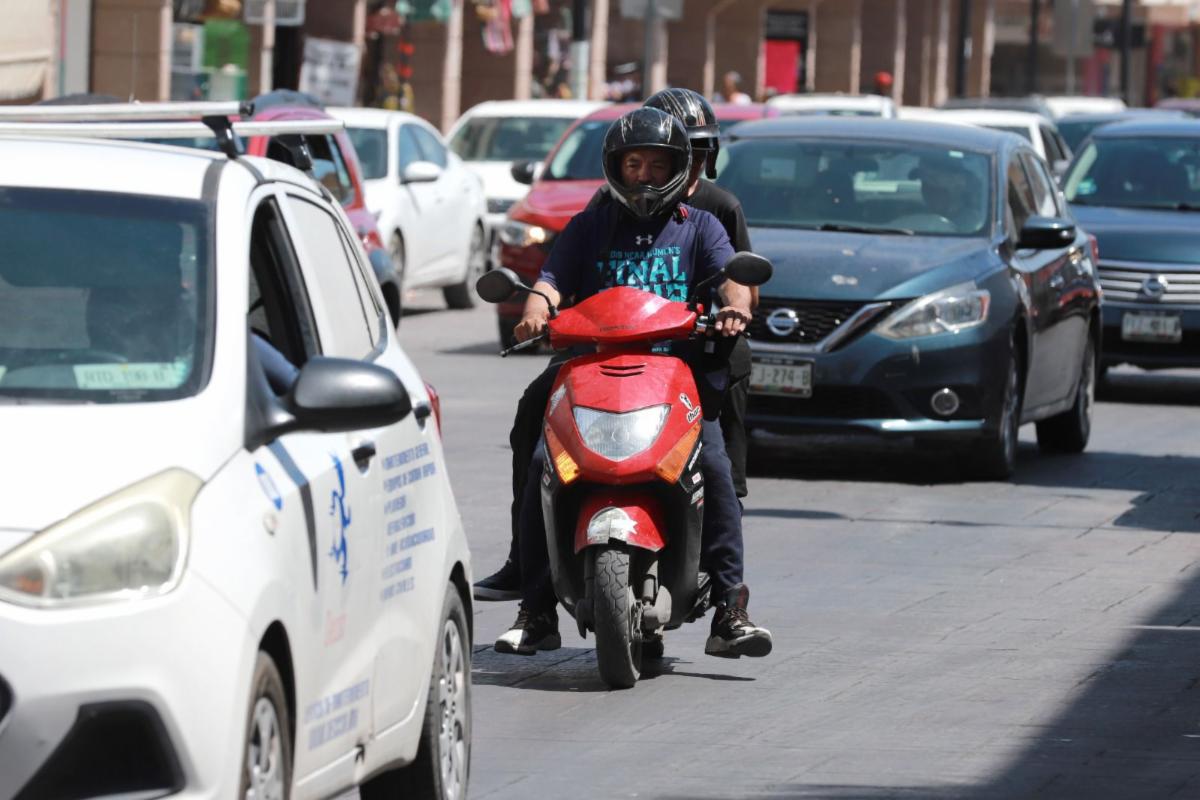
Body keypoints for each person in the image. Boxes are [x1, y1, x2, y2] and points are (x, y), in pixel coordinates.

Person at [491, 107, 773, 660]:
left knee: (713, 469)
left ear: (678, 167)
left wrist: (734, 309)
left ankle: (730, 610)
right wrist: (534, 311)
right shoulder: (592, 223)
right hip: (590, 373)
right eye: (633, 163)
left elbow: (733, 281)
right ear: (615, 168)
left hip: (676, 377)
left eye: (656, 163)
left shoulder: (702, 225)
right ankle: (536, 609)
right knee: (543, 471)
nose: (643, 174)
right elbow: (551, 280)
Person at [912, 153, 986, 233]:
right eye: (924, 182)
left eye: (934, 182)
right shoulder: (914, 217)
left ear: (958, 184)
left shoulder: (974, 227)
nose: (927, 190)